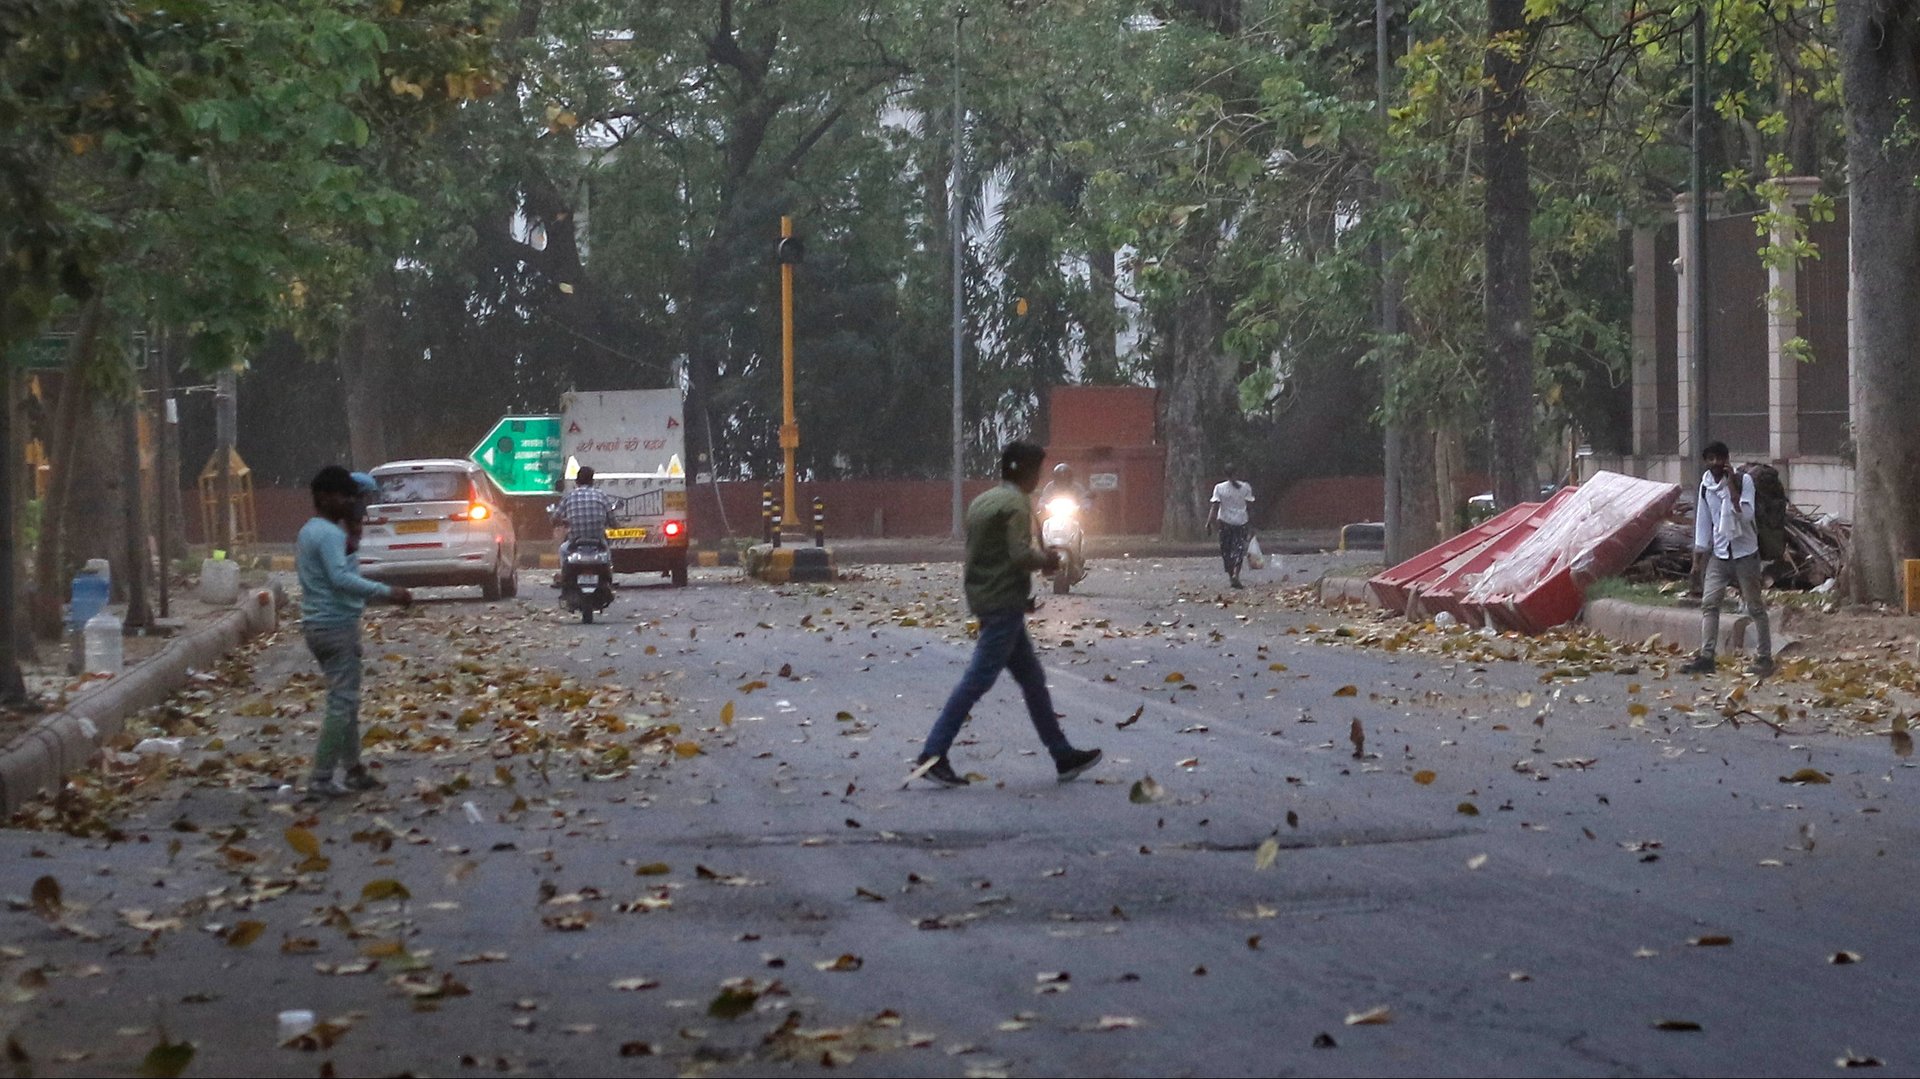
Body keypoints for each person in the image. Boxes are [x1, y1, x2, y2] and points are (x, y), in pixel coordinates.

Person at [915, 441, 1103, 787]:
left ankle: (1062, 754)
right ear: (1027, 472)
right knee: (976, 681)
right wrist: (1047, 560)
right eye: (1037, 471)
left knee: (1033, 682)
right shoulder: (1017, 504)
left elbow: (988, 552)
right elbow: (1019, 554)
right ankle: (933, 753)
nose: (1039, 478)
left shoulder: (984, 500)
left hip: (988, 596)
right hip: (1003, 604)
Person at [298, 466, 412, 798]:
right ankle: (321, 777)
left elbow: (342, 563)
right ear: (324, 497)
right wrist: (387, 592)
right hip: (335, 626)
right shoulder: (330, 535)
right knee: (341, 702)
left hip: (318, 624)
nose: (351, 502)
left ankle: (353, 770)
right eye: (345, 496)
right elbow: (340, 578)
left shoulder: (311, 530)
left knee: (345, 700)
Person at [1679, 442, 1773, 677]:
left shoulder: (1744, 481)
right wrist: (1697, 561)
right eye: (1711, 459)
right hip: (1720, 554)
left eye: (1720, 458)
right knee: (1709, 604)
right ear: (1706, 461)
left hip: (1745, 553)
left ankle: (1764, 658)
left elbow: (1746, 515)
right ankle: (1707, 656)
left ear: (1727, 460)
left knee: (1754, 606)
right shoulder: (1705, 486)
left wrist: (1731, 486)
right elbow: (1703, 524)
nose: (1716, 463)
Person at [1205, 464, 1255, 589]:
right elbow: (1250, 507)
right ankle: (1235, 575)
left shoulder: (1219, 488)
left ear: (1225, 474)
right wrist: (1252, 525)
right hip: (1241, 522)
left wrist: (1209, 522)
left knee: (1226, 550)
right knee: (1239, 550)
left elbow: (1214, 507)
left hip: (1225, 523)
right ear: (1237, 473)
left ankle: (1231, 574)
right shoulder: (1246, 487)